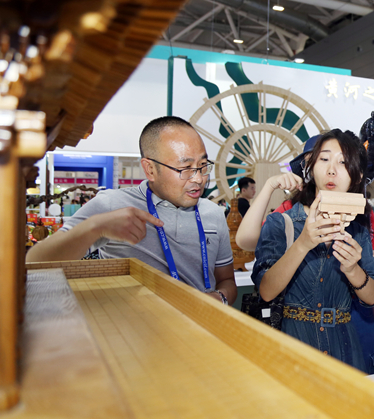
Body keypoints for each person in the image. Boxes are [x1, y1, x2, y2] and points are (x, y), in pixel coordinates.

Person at [26, 116, 237, 306]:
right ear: (150, 169)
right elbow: (35, 262)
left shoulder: (213, 213)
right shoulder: (112, 204)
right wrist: (96, 227)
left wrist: (220, 297)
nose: (198, 178)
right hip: (130, 331)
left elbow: (227, 280)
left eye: (202, 165)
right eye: (185, 168)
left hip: (199, 328)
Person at [252, 129, 374, 372]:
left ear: (357, 175)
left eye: (343, 162)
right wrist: (302, 244)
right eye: (324, 159)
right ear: (311, 168)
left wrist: (353, 270)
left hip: (345, 349)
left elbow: (372, 297)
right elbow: (266, 291)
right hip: (293, 348)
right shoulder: (280, 223)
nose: (332, 170)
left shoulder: (358, 230)